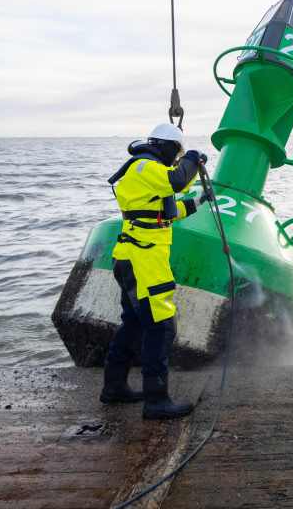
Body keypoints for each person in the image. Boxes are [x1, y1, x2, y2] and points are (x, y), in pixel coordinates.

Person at [99, 122, 209, 419]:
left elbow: (163, 212)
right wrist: (194, 159)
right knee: (160, 329)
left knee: (133, 325)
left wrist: (199, 201)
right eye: (177, 153)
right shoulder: (144, 167)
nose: (176, 159)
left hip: (132, 258)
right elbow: (177, 180)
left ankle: (114, 388)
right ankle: (156, 401)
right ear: (168, 147)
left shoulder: (146, 174)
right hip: (144, 263)